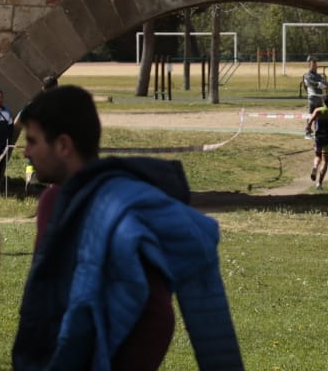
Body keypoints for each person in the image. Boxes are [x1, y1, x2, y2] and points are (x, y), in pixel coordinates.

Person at [13, 84, 244, 370]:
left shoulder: (117, 206)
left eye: (33, 142)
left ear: (63, 145)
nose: (25, 152)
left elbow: (156, 314)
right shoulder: (52, 202)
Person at [306, 94, 328, 189]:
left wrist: (309, 129)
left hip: (318, 138)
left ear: (323, 102)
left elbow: (310, 121)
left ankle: (315, 167)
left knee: (317, 156)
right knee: (325, 162)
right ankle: (319, 183)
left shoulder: (318, 110)